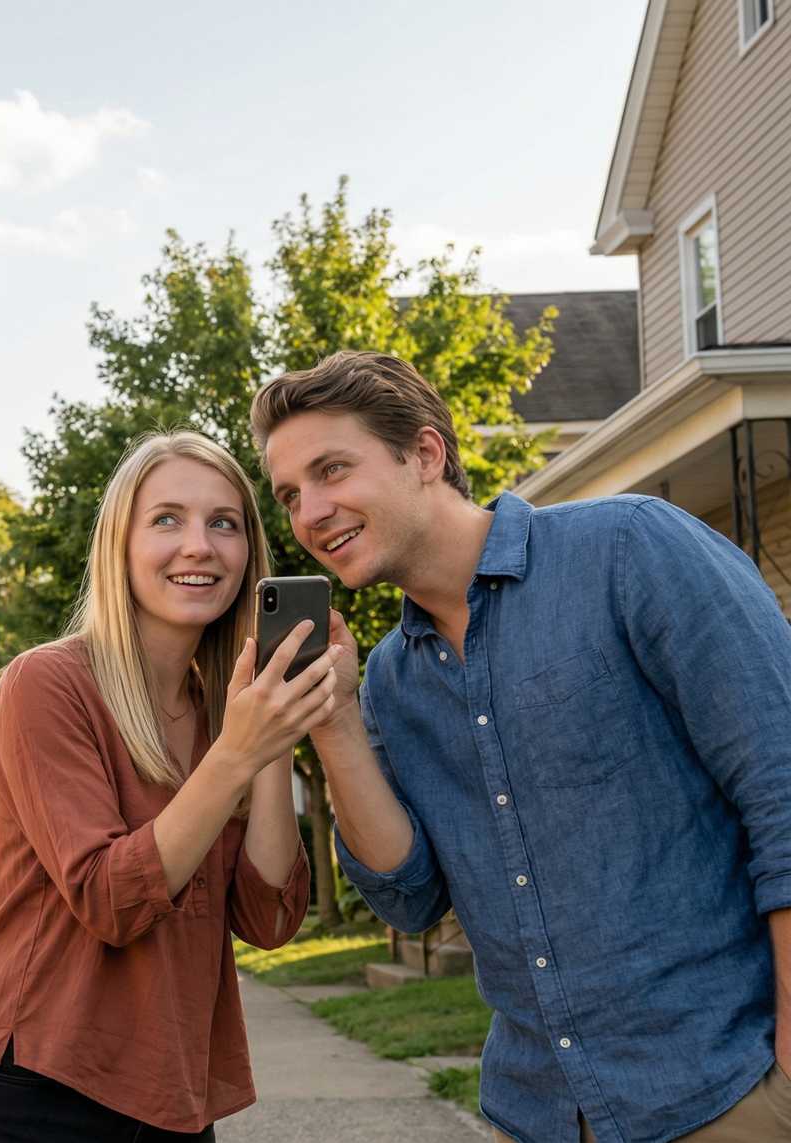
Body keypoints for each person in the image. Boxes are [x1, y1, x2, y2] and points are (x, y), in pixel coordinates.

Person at [255, 350, 791, 1143]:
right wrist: (333, 721)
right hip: (537, 1112)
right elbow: (406, 897)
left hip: (722, 1092)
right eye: (291, 494)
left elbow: (781, 784)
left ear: (425, 453)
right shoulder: (391, 682)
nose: (311, 512)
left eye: (332, 470)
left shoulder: (629, 551)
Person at [0, 431, 327, 1142]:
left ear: (248, 555)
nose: (199, 546)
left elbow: (269, 919)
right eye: (167, 519)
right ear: (120, 544)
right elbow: (109, 900)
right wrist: (237, 753)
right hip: (40, 1086)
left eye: (224, 523)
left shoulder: (223, 714)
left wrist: (271, 732)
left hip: (173, 1095)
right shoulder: (46, 683)